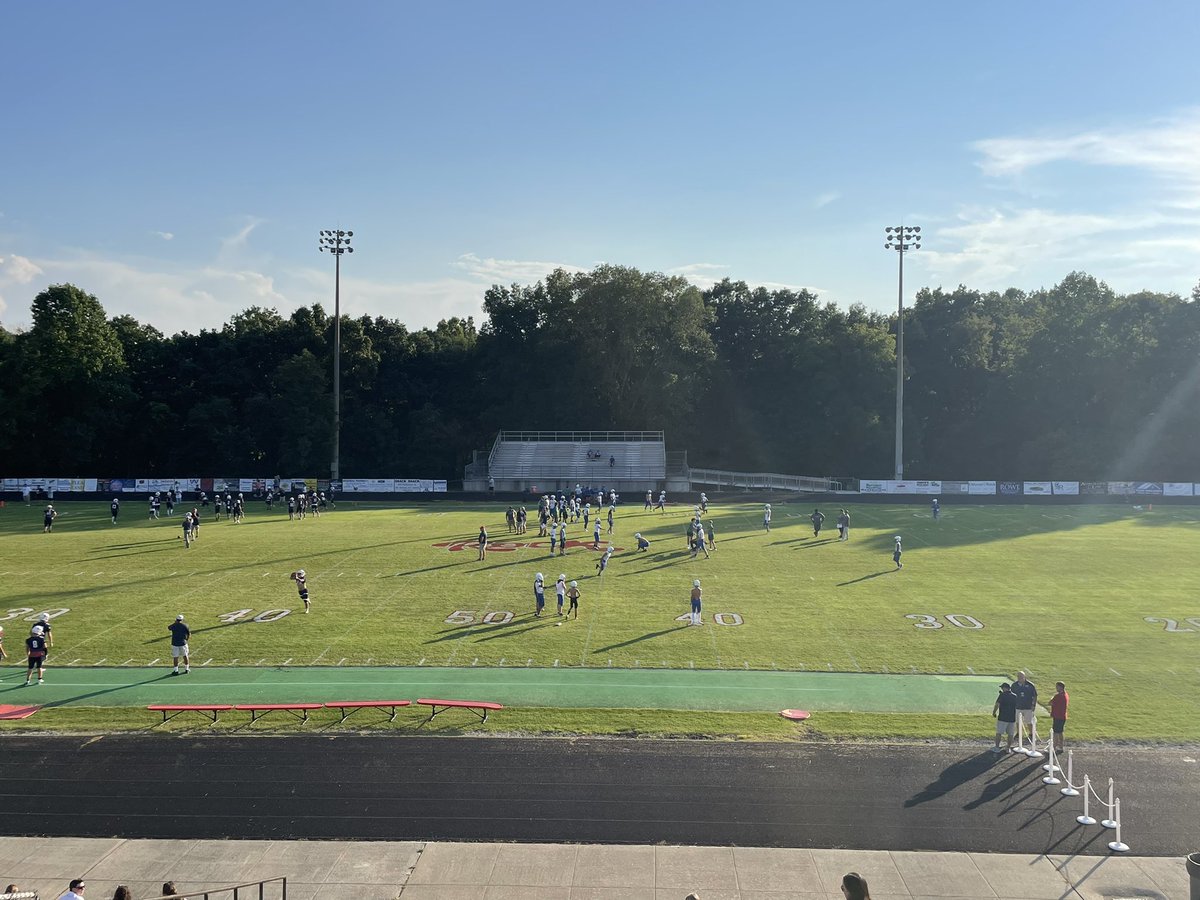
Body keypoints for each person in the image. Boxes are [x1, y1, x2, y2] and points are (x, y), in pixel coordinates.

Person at [1012, 670, 1038, 743]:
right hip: (1018, 706)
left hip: (1028, 707)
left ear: (1024, 677)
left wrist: (1033, 705)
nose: (1019, 678)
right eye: (1018, 676)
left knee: (1029, 722)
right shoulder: (1014, 685)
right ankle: (1019, 733)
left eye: (1021, 676)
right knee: (1018, 721)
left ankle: (1031, 734)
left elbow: (1035, 696)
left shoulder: (1030, 685)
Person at [992, 682, 1017, 752]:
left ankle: (997, 747)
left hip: (1002, 717)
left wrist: (994, 712)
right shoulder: (1015, 696)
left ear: (1005, 688)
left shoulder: (1002, 695)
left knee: (999, 733)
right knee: (1010, 734)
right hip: (1012, 718)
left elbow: (997, 704)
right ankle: (1008, 748)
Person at [1050, 681, 1069, 753]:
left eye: (1057, 687)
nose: (1056, 688)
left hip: (1057, 716)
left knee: (1055, 733)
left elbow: (1050, 702)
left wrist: (1052, 698)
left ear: (1060, 687)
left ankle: (1053, 748)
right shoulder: (1066, 694)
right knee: (1060, 732)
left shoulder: (1058, 696)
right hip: (1063, 716)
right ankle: (1061, 747)